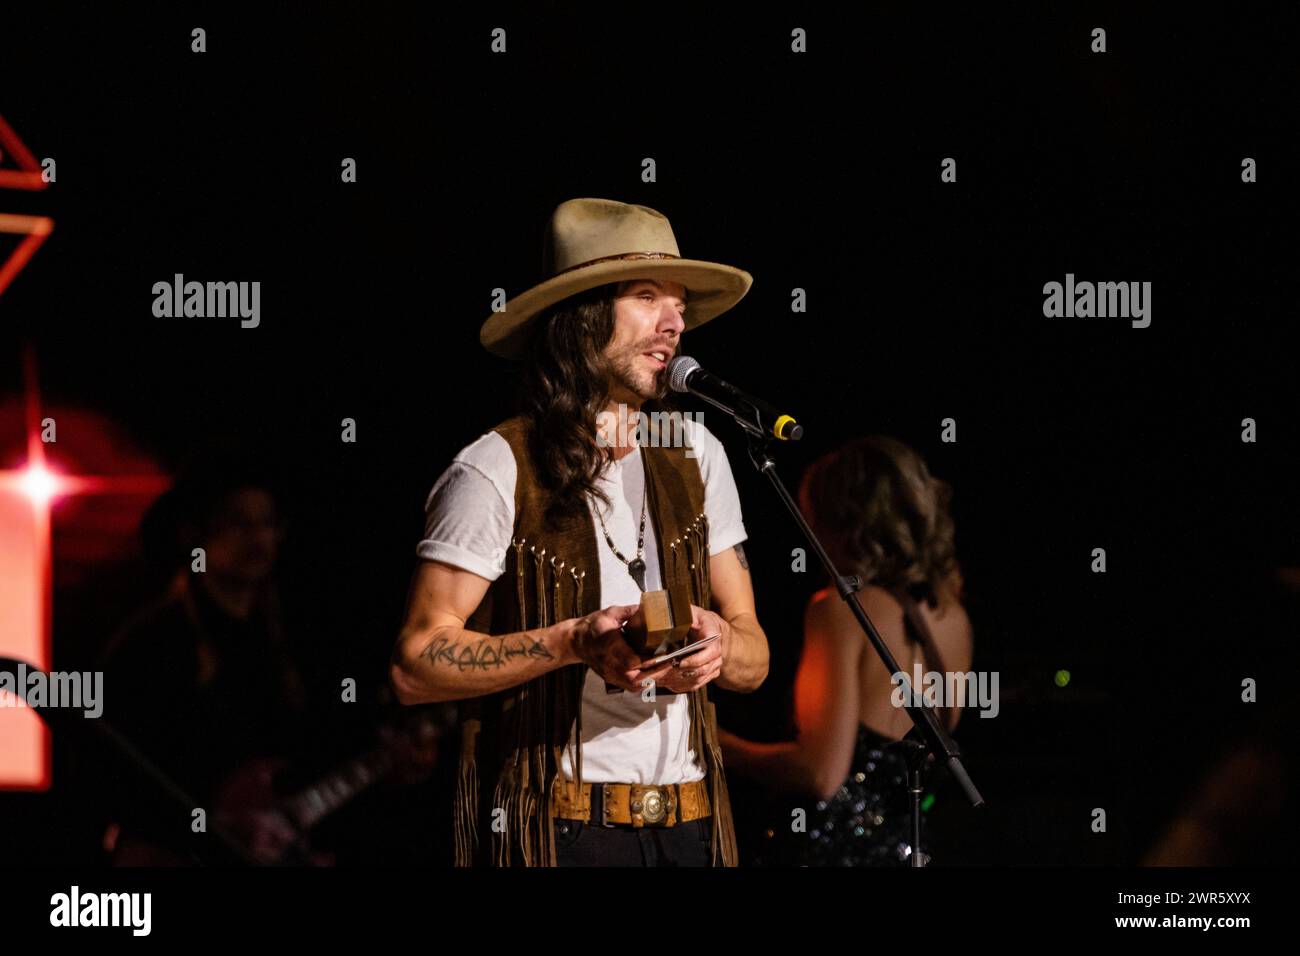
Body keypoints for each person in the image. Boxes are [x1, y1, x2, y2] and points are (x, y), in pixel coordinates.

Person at [389, 197, 770, 866]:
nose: (675, 323)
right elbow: (416, 664)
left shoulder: (696, 453)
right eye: (648, 296)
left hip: (691, 825)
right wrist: (569, 642)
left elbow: (755, 658)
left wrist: (717, 647)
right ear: (583, 317)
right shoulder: (497, 465)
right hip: (561, 832)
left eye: (679, 304)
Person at [718, 436, 973, 865]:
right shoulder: (955, 618)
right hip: (908, 848)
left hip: (833, 852)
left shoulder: (838, 610)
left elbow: (821, 774)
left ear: (839, 520)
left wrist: (718, 745)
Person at [99, 461, 311, 865]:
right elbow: (115, 774)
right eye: (238, 523)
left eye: (267, 523)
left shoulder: (287, 639)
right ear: (193, 535)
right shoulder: (152, 642)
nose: (258, 539)